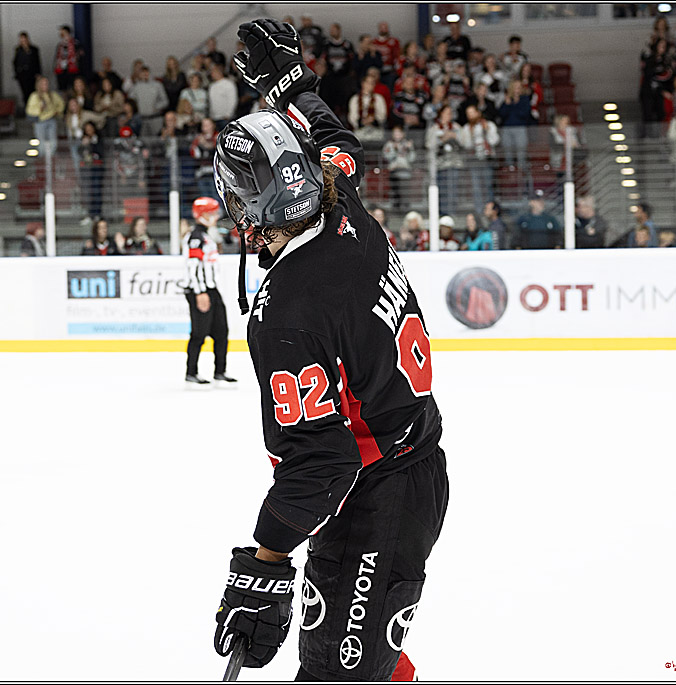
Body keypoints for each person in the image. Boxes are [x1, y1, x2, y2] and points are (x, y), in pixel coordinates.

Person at [212, 20, 447, 682]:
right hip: (401, 464)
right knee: (366, 656)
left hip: (377, 495)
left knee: (335, 676)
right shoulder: (340, 195)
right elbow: (336, 139)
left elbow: (322, 460)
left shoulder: (288, 313)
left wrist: (265, 559)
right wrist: (292, 85)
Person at [183, 196, 234, 385]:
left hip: (212, 289)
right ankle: (191, 372)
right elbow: (193, 265)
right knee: (199, 333)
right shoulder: (196, 238)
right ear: (202, 215)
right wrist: (199, 292)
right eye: (212, 213)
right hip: (200, 291)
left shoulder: (207, 236)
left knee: (221, 331)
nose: (215, 216)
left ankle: (220, 371)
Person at [26, 75, 65, 154]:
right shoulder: (34, 96)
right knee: (41, 142)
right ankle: (43, 159)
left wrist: (57, 111)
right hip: (40, 121)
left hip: (51, 120)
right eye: (43, 84)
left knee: (53, 141)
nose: (45, 85)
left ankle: (51, 157)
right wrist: (40, 109)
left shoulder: (53, 95)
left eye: (47, 83)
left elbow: (61, 103)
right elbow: (29, 110)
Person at [13, 32, 43, 105]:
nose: (23, 41)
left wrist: (38, 73)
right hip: (22, 74)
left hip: (32, 74)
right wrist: (17, 73)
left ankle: (33, 107)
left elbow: (37, 62)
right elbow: (15, 62)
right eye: (21, 39)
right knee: (25, 92)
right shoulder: (18, 50)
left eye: (24, 39)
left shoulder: (34, 49)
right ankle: (27, 108)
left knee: (33, 91)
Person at [54, 25, 83, 93]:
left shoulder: (75, 43)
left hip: (72, 70)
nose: (60, 33)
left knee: (72, 88)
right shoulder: (60, 44)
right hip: (62, 70)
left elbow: (80, 55)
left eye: (62, 32)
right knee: (62, 89)